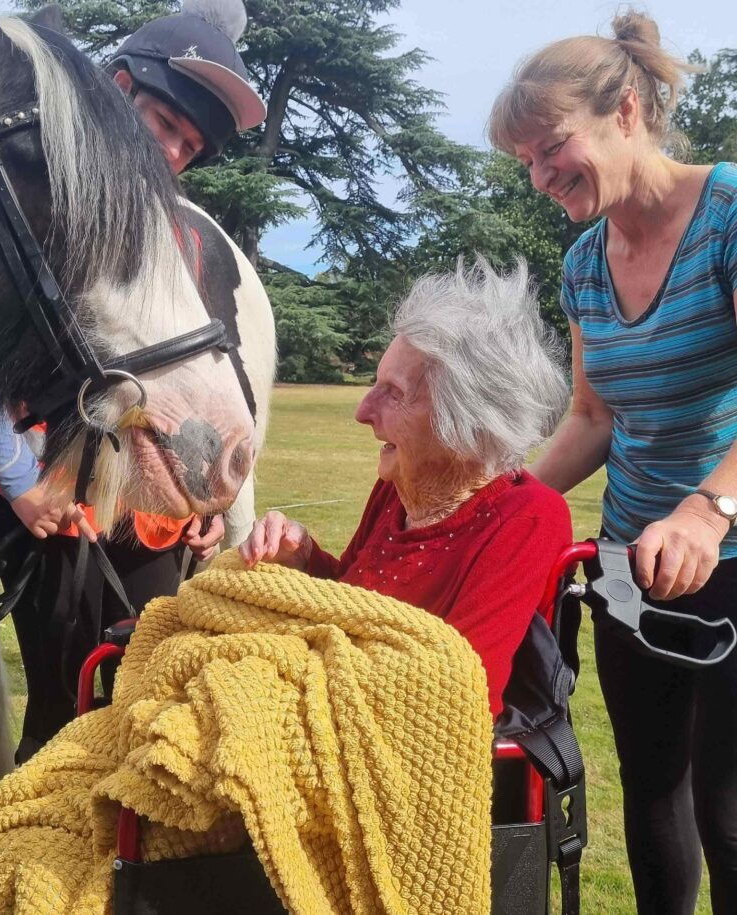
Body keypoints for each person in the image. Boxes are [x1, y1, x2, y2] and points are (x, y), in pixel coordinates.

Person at [0, 0, 268, 761]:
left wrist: (210, 501)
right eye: (164, 126)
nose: (171, 155)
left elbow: (200, 380)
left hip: (152, 523)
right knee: (60, 711)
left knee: (143, 708)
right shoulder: (37, 214)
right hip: (62, 513)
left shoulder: (181, 244)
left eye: (188, 146)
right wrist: (22, 480)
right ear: (118, 88)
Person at [492, 13, 737, 912]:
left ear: (625, 111)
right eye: (527, 162)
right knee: (650, 786)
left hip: (728, 549)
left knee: (729, 803)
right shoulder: (585, 262)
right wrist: (499, 497)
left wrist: (708, 511)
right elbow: (592, 417)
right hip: (631, 563)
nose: (542, 175)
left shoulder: (729, 212)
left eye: (553, 147)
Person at [240, 260, 572, 715]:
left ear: (470, 423)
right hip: (326, 701)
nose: (362, 411)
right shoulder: (399, 484)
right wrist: (302, 559)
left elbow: (463, 687)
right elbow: (349, 599)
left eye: (393, 392)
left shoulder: (529, 517)